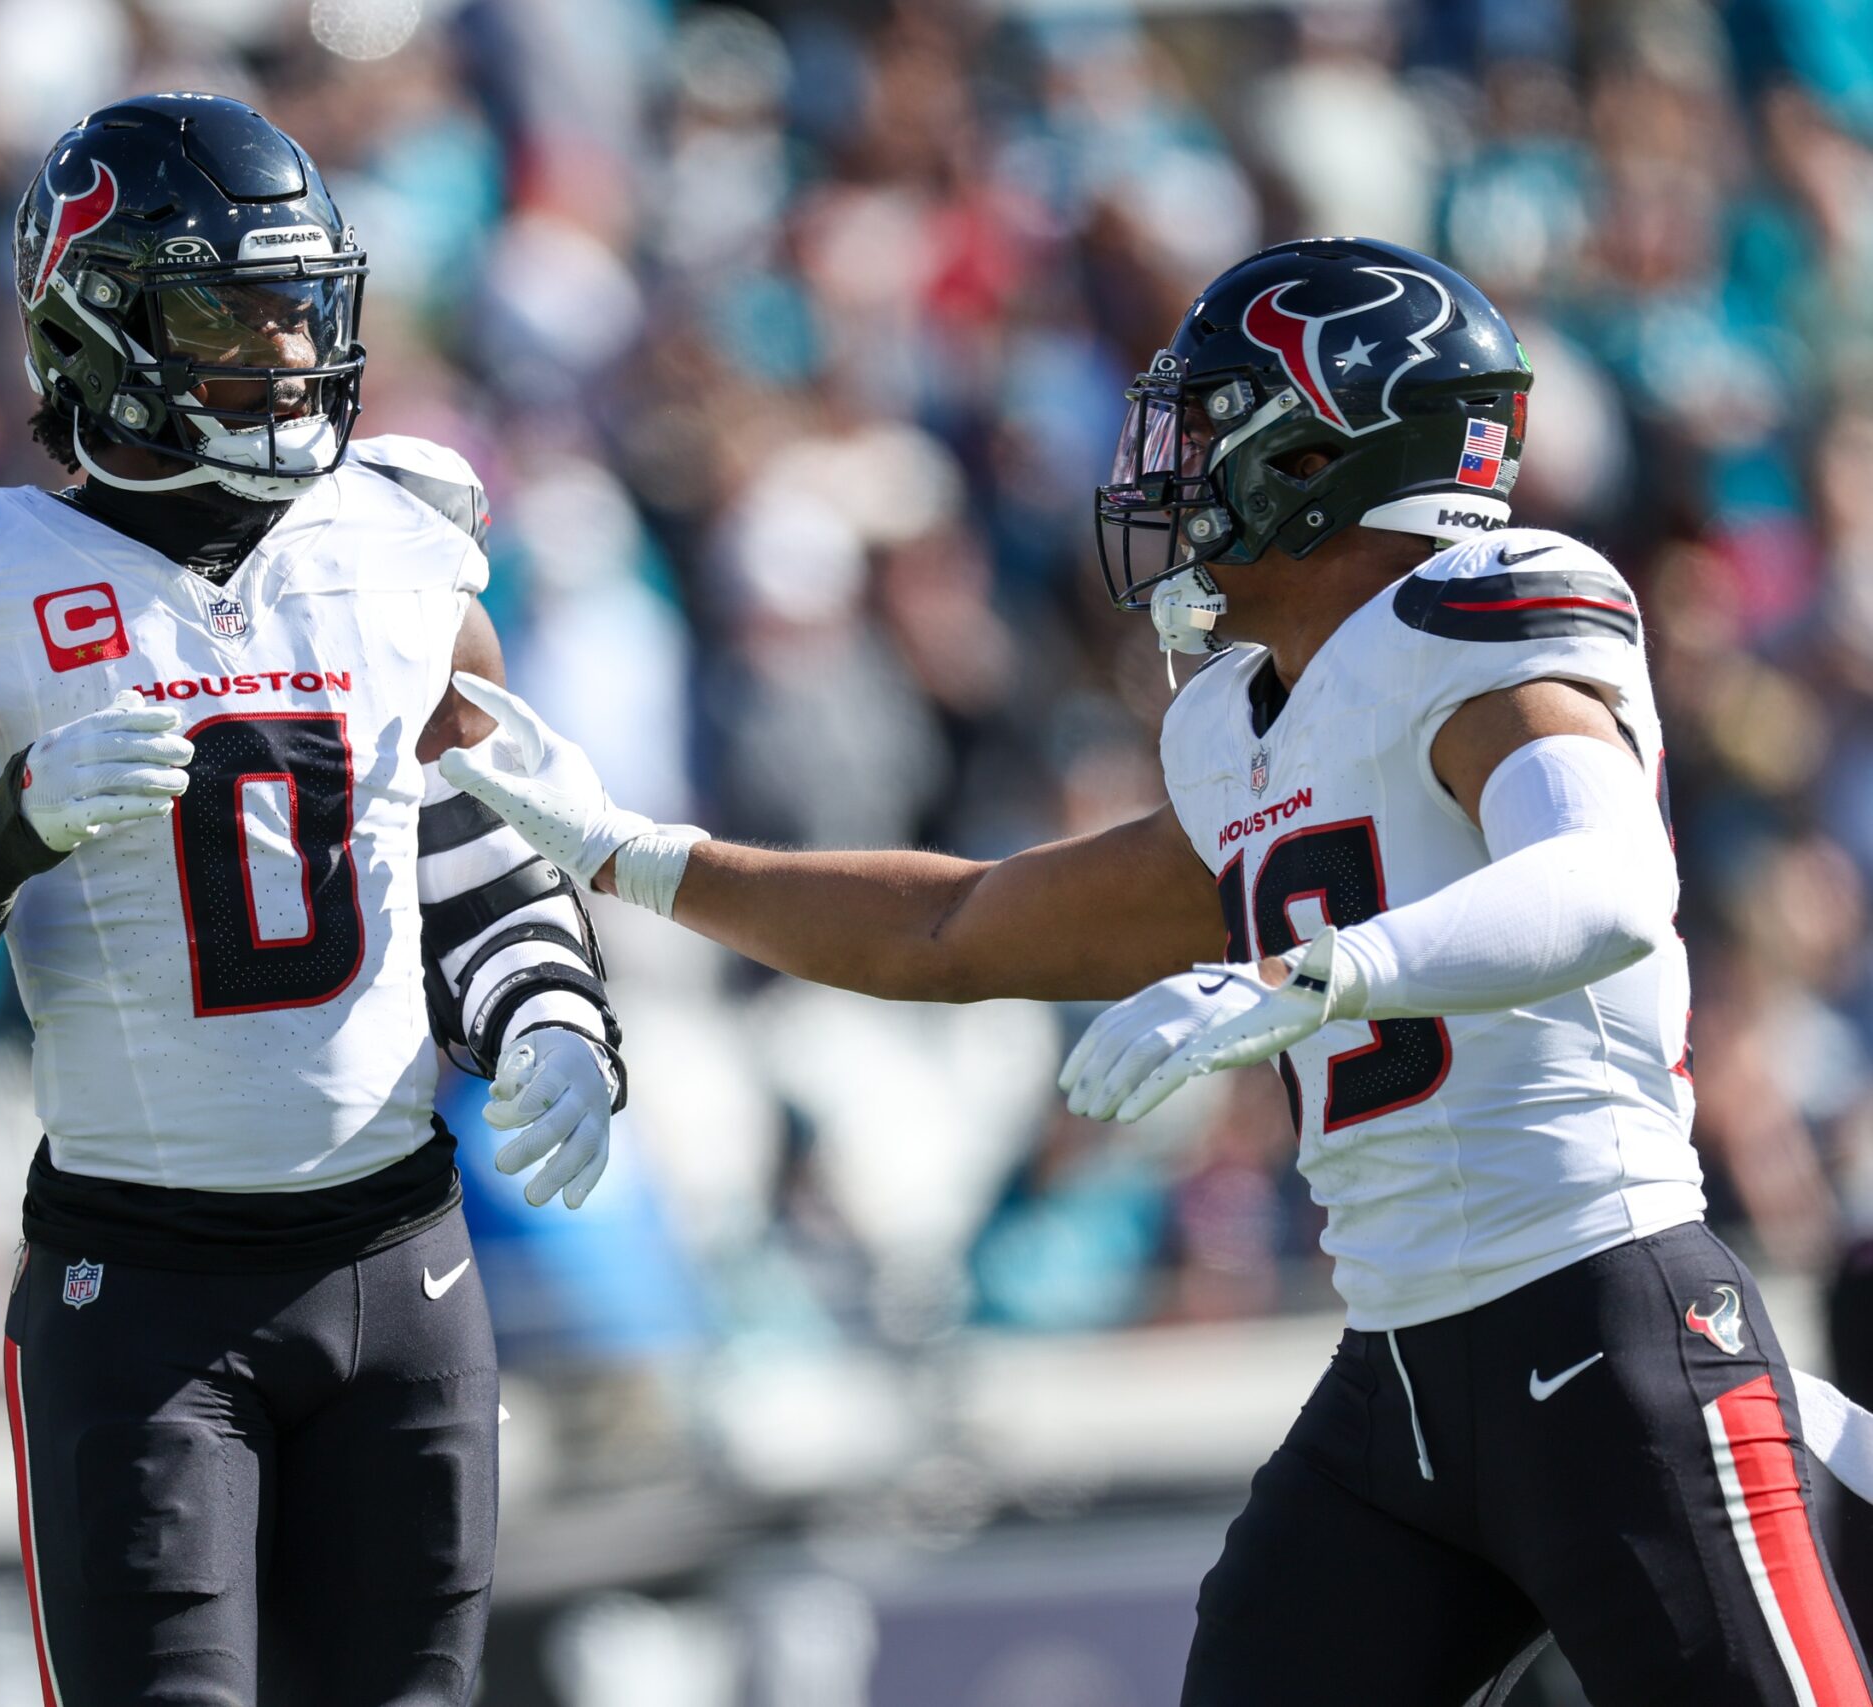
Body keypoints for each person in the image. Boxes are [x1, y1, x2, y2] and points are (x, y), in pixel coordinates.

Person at [439, 236, 1873, 1705]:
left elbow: (1607, 886)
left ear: (1329, 447)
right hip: (1398, 1379)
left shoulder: (1479, 619)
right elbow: (958, 930)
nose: (1171, 473)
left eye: (1211, 427)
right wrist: (628, 852)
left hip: (1601, 1323)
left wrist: (1310, 979)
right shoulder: (1244, 728)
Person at [0, 93, 630, 1707]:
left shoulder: (406, 538)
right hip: (141, 1296)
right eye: (227, 308)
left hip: (407, 1268)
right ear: (93, 323)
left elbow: (477, 839)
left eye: (300, 302)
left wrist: (554, 1013)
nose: (289, 352)